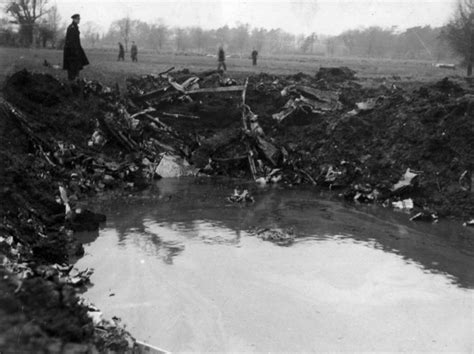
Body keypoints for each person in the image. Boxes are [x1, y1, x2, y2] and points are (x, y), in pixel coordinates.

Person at [63, 14, 89, 81]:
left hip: (75, 50)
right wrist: (74, 51)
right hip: (71, 51)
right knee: (72, 66)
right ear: (74, 19)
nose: (79, 20)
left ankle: (75, 78)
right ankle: (72, 79)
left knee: (76, 66)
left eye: (79, 19)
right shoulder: (72, 28)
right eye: (78, 19)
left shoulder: (75, 27)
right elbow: (71, 41)